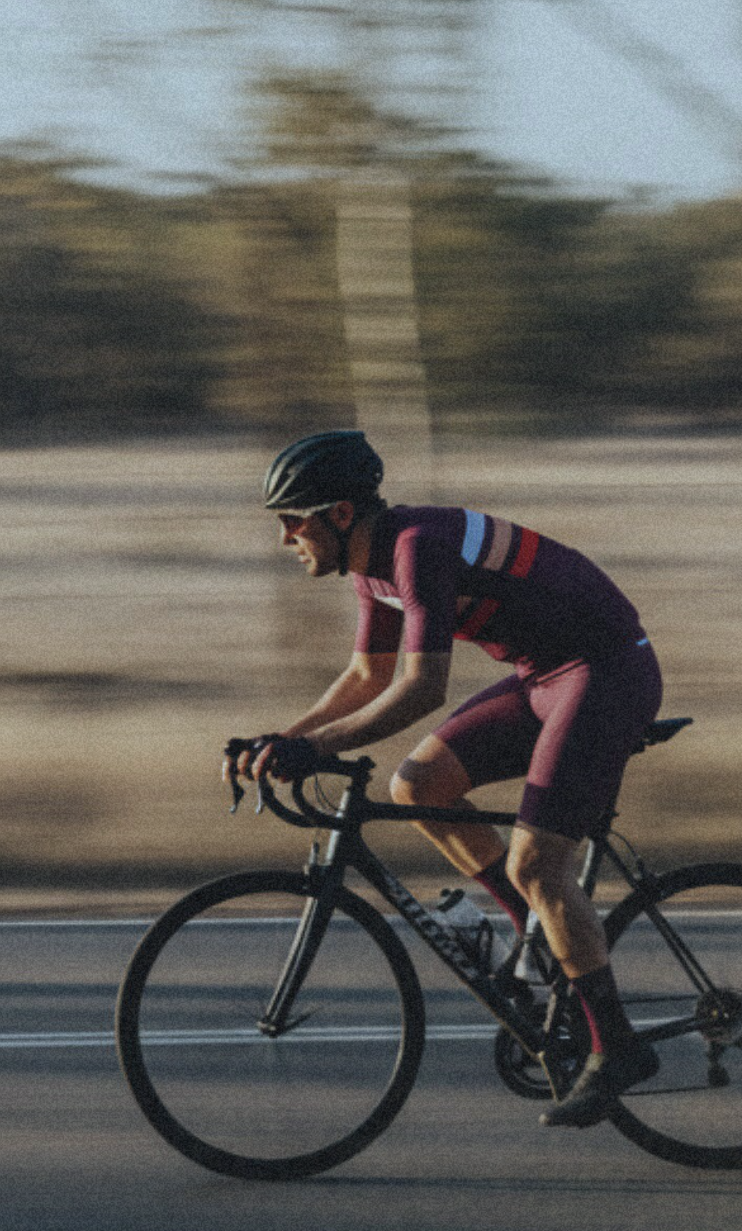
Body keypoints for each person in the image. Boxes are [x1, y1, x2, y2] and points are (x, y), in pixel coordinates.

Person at [228, 429, 664, 1128]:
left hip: (606, 674)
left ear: (340, 514)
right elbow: (367, 675)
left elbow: (421, 687)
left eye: (293, 520)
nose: (285, 538)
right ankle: (536, 944)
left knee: (537, 863)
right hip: (543, 677)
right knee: (417, 785)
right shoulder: (373, 565)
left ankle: (617, 1048)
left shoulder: (415, 548)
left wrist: (315, 749)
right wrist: (284, 739)